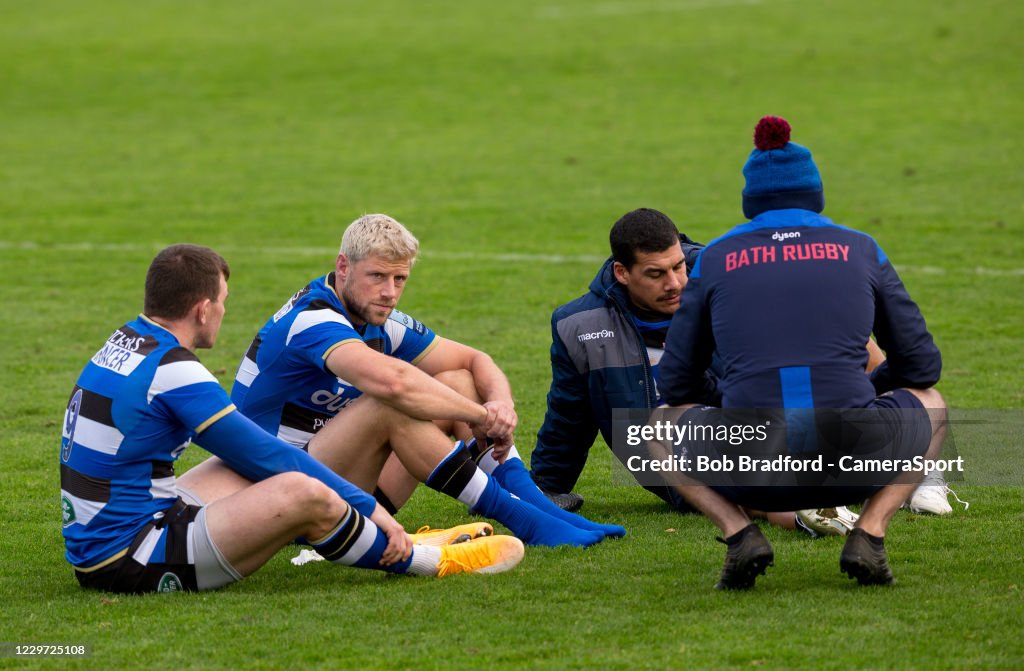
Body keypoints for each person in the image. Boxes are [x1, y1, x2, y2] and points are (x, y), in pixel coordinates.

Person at [59, 244, 525, 594]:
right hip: (129, 556)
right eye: (222, 300)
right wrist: (374, 510)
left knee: (240, 469)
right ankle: (427, 560)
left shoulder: (127, 340)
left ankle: (387, 535)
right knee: (301, 491)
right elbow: (270, 456)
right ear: (203, 309)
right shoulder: (176, 370)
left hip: (109, 533)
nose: (224, 310)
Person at [657, 116, 948, 589]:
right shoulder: (862, 247)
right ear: (815, 193)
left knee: (659, 421)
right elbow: (922, 366)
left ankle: (739, 534)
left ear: (750, 200)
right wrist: (867, 390)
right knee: (933, 402)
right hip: (856, 462)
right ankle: (870, 532)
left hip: (755, 469)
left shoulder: (713, 258)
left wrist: (727, 393)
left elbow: (676, 382)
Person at [221, 214, 625, 549]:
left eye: (399, 280)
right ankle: (529, 521)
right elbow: (395, 385)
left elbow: (474, 358)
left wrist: (500, 404)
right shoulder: (313, 320)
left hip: (346, 488)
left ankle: (538, 507)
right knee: (388, 404)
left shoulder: (374, 318)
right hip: (280, 496)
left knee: (456, 378)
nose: (389, 292)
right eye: (377, 276)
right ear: (343, 267)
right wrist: (481, 416)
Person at [529, 207, 859, 537]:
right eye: (655, 274)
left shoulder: (729, 279)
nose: (675, 283)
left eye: (678, 267)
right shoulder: (579, 325)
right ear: (622, 272)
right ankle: (805, 509)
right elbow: (569, 415)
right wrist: (546, 486)